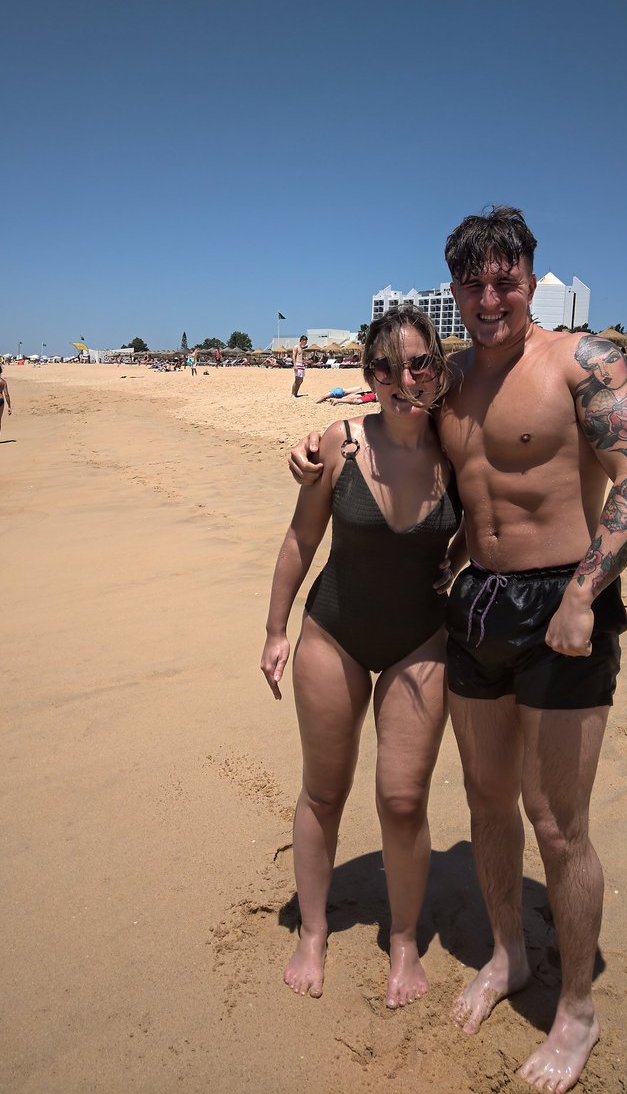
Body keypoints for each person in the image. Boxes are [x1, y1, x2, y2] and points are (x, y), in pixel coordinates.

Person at [289, 206, 627, 1093]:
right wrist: (310, 447)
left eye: (506, 280)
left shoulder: (583, 362)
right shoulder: (449, 379)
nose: (491, 298)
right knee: (487, 801)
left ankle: (577, 1008)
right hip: (477, 604)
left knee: (557, 824)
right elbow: (384, 416)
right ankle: (507, 955)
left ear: (530, 278)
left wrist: (583, 595)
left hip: (564, 603)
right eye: (474, 284)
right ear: (455, 291)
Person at [262, 307, 466, 1009]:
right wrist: (276, 629)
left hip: (420, 640)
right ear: (367, 376)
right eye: (384, 367)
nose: (403, 380)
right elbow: (301, 539)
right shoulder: (340, 443)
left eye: (418, 364)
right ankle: (313, 931)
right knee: (324, 791)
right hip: (335, 633)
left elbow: (501, 518)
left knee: (403, 801)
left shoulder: (458, 449)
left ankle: (403, 940)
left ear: (439, 370)